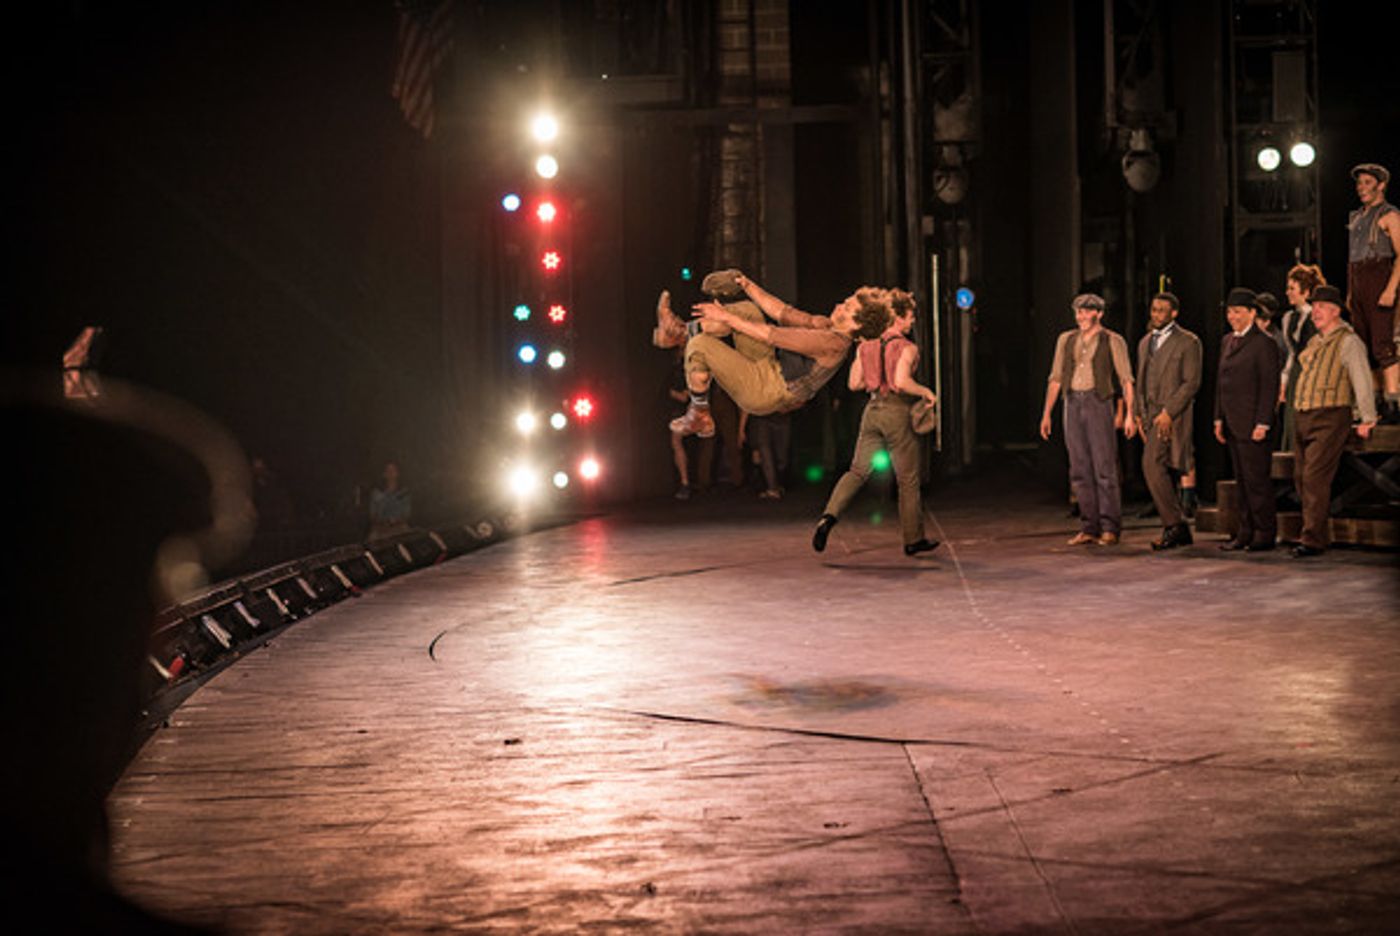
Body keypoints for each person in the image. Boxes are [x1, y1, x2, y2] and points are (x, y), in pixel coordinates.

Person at [656, 270, 892, 434]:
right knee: (748, 310)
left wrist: (725, 316)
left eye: (847, 307)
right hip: (770, 366)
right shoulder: (826, 325)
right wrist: (746, 284)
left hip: (767, 390)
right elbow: (782, 312)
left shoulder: (833, 343)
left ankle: (699, 413)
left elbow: (771, 335)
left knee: (701, 346)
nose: (840, 305)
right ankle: (677, 332)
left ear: (856, 324)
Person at [811, 291, 940, 556]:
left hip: (872, 410)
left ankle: (829, 517)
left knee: (857, 471)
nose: (913, 321)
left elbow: (854, 383)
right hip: (897, 411)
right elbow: (901, 382)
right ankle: (913, 539)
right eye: (910, 316)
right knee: (908, 480)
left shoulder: (865, 346)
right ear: (898, 317)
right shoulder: (906, 347)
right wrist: (925, 392)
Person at [1039, 293, 1138, 546]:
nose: (1080, 317)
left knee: (1104, 467)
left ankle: (1110, 527)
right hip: (1072, 402)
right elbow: (1056, 378)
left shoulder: (1112, 340)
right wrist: (1047, 413)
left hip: (1098, 402)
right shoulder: (1066, 339)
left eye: (1086, 312)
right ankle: (1089, 527)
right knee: (1079, 468)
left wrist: (1130, 414)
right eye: (1078, 312)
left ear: (1099, 314)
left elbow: (1126, 380)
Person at [1289, 284, 1378, 557]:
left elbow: (1361, 379)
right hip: (1304, 414)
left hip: (1330, 415)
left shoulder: (1348, 341)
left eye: (1321, 308)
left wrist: (1367, 417)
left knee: (1314, 477)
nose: (1315, 312)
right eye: (1314, 307)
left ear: (1335, 311)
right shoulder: (1314, 342)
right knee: (1301, 477)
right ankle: (1311, 531)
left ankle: (1312, 539)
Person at [1213, 288, 1282, 552]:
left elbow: (1269, 386)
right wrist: (1218, 418)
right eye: (1230, 312)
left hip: (1253, 423)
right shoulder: (1227, 341)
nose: (1233, 316)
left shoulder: (1264, 343)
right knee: (1241, 482)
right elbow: (1221, 383)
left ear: (1252, 313)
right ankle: (1245, 531)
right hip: (1232, 422)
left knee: (1257, 482)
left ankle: (1264, 532)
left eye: (1238, 312)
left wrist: (1263, 422)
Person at [1133, 292, 1202, 550]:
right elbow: (1141, 381)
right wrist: (1139, 414)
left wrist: (1168, 412)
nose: (1156, 314)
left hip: (1172, 415)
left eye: (1162, 310)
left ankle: (1175, 525)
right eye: (1154, 309)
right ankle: (1176, 525)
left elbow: (1191, 382)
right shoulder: (1145, 343)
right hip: (1150, 415)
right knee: (1155, 465)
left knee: (1152, 463)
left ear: (1174, 313)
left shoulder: (1188, 341)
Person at [1346, 163, 1400, 423]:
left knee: (1383, 344)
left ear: (1381, 185)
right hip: (1359, 281)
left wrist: (1391, 288)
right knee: (1363, 345)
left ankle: (1393, 402)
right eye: (1359, 183)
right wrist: (1350, 292)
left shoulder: (1390, 214)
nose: (1361, 187)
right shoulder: (1356, 217)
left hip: (1379, 278)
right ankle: (1374, 400)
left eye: (1368, 182)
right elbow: (1352, 261)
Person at [1280, 263, 1325, 451]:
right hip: (1296, 374)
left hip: (1311, 374)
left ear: (1305, 292)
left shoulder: (1317, 317)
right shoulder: (1288, 318)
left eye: (1292, 288)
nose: (1287, 292)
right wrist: (1284, 381)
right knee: (1292, 423)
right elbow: (1292, 353)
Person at [367, 460, 412, 541]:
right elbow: (372, 515)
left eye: (393, 470)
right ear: (384, 474)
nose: (390, 473)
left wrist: (395, 523)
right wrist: (382, 525)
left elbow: (406, 515)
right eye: (388, 470)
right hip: (380, 529)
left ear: (397, 473)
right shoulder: (376, 493)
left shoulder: (404, 493)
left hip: (399, 528)